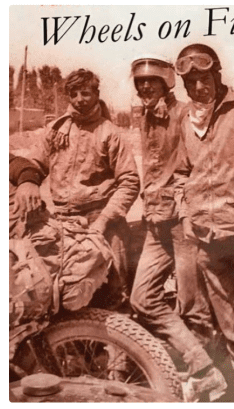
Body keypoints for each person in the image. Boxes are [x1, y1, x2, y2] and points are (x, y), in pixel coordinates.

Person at [126, 55, 225, 402]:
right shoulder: (143, 116)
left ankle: (210, 381)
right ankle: (202, 367)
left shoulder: (186, 113)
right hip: (156, 222)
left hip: (184, 223)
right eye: (140, 83)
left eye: (151, 82)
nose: (144, 88)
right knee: (142, 298)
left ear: (168, 83)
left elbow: (206, 162)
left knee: (193, 305)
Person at [173, 43, 234, 402]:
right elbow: (182, 174)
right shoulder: (186, 119)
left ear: (217, 75)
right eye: (190, 82)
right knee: (233, 330)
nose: (198, 88)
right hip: (209, 242)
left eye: (204, 78)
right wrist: (185, 215)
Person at [24, 68, 140, 308]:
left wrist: (103, 222)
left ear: (96, 94)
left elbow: (130, 182)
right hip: (62, 221)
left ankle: (118, 342)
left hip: (102, 221)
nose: (79, 100)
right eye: (74, 94)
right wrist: (28, 182)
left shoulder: (110, 133)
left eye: (85, 93)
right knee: (57, 288)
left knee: (114, 289)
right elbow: (34, 162)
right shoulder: (56, 130)